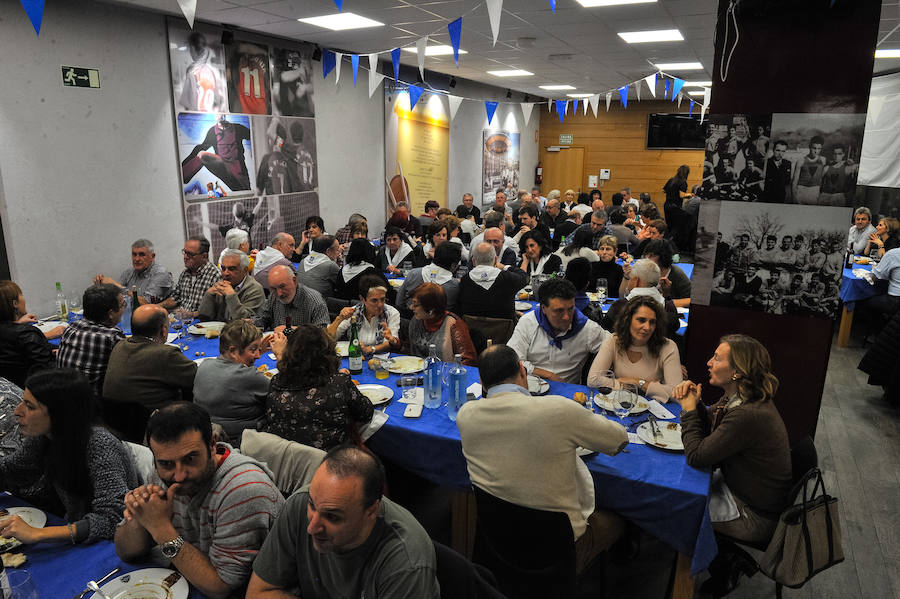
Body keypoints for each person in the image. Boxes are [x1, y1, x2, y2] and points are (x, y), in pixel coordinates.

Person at [457, 345, 628, 575]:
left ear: (483, 383)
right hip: (559, 552)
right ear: (522, 370)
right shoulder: (559, 409)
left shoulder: (465, 415)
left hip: (496, 540)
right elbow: (618, 440)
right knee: (621, 518)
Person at [115, 403, 284, 598]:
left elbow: (221, 587)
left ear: (212, 444)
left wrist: (160, 528)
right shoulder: (161, 473)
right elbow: (125, 552)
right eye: (166, 463)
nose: (178, 475)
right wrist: (141, 516)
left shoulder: (244, 489)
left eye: (190, 459)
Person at [247, 445, 440, 598]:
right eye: (312, 505)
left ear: (371, 511)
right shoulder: (299, 503)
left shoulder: (405, 562)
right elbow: (258, 592)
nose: (312, 527)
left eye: (332, 517)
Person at [673, 335, 791, 543]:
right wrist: (697, 405)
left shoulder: (748, 413)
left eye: (717, 358)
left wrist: (690, 410)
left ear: (737, 372)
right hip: (741, 491)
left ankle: (684, 572)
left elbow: (697, 456)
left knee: (675, 506)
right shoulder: (740, 397)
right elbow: (712, 424)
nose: (709, 362)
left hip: (752, 515)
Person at [0, 369, 137, 544]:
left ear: (60, 414)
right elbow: (11, 471)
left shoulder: (99, 444)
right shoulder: (46, 437)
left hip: (109, 546)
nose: (17, 411)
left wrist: (37, 534)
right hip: (74, 529)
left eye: (30, 406)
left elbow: (114, 519)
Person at [262, 325, 372, 449]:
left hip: (287, 461)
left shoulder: (277, 381)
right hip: (331, 461)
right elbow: (366, 413)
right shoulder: (339, 383)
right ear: (327, 353)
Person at [508, 278, 607, 383]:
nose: (566, 317)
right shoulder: (528, 323)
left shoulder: (587, 329)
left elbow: (616, 345)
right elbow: (513, 361)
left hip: (567, 393)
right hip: (530, 389)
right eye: (559, 311)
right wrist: (548, 375)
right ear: (543, 308)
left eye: (570, 309)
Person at [588, 295, 682, 403]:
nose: (647, 327)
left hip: (654, 409)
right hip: (619, 405)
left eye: (652, 322)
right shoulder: (614, 341)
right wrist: (622, 384)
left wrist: (638, 383)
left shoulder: (668, 346)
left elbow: (676, 393)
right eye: (641, 320)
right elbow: (593, 380)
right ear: (628, 320)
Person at [104, 304, 197, 408]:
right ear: (163, 331)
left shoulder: (120, 345)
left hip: (111, 417)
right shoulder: (166, 354)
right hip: (153, 419)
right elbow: (199, 377)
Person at [193, 320, 270, 444]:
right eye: (253, 349)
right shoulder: (248, 376)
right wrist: (282, 356)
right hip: (242, 442)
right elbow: (282, 394)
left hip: (207, 436)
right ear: (233, 351)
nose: (258, 356)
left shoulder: (204, 365)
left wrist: (254, 351)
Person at [57, 283, 126, 397]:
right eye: (123, 305)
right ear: (111, 314)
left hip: (64, 400)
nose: (124, 309)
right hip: (93, 407)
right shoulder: (112, 337)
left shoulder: (71, 327)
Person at [328, 275, 401, 356]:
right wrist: (339, 319)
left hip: (381, 359)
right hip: (354, 357)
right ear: (362, 299)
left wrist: (370, 349)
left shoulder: (392, 313)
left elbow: (390, 342)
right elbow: (329, 338)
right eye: (374, 300)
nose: (380, 305)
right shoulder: (353, 312)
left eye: (383, 299)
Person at [0, 281, 55, 387]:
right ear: (15, 304)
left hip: (13, 389)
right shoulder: (27, 333)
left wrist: (17, 323)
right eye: (21, 295)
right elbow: (48, 370)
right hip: (36, 390)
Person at [407, 282, 477, 365]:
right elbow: (410, 350)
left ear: (431, 309)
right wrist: (396, 343)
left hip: (444, 374)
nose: (411, 308)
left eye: (415, 305)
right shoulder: (416, 320)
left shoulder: (453, 324)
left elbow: (468, 361)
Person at [604, 259, 678, 335]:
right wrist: (667, 296)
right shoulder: (667, 306)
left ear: (636, 280)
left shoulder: (618, 307)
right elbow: (675, 326)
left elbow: (606, 329)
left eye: (630, 278)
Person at [181, 113, 252, 192]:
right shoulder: (213, 131)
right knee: (202, 155)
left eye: (222, 114)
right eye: (218, 114)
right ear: (214, 116)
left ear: (225, 115)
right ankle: (182, 176)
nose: (220, 116)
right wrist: (182, 167)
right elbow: (200, 147)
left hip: (238, 169)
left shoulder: (237, 128)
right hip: (223, 165)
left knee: (244, 191)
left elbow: (253, 136)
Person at [459, 243, 528, 320]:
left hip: (472, 330)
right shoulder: (508, 278)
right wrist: (504, 267)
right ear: (495, 260)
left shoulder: (464, 281)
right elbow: (524, 277)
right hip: (505, 330)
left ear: (473, 261)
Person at [94, 239, 173, 305]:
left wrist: (116, 285)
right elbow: (117, 297)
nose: (137, 259)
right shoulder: (128, 272)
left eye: (142, 255)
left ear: (152, 256)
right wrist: (103, 286)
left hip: (154, 319)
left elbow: (146, 304)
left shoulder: (161, 274)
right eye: (134, 254)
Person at [255, 265, 329, 331]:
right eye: (274, 288)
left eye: (282, 286)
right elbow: (263, 320)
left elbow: (323, 334)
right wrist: (250, 324)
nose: (279, 293)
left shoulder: (315, 301)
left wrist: (294, 330)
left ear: (294, 281)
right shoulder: (273, 296)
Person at [197, 249, 265, 321]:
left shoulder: (255, 289)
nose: (226, 273)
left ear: (245, 270)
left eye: (231, 269)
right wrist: (208, 295)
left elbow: (245, 322)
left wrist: (231, 296)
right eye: (223, 268)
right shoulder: (220, 285)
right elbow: (203, 318)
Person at [159, 236, 221, 314]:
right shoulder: (185, 274)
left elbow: (216, 310)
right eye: (184, 252)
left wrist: (191, 315)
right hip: (181, 319)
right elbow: (175, 298)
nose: (185, 257)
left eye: (190, 254)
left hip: (202, 322)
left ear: (204, 256)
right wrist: (157, 307)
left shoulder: (215, 276)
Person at [397, 242, 461, 315]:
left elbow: (399, 302)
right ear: (453, 265)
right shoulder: (455, 286)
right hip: (438, 324)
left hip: (409, 319)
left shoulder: (413, 273)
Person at [176, 32, 225, 112]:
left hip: (196, 117)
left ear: (192, 48)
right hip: (211, 116)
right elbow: (219, 100)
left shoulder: (191, 71)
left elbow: (187, 102)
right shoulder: (214, 72)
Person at [641, 239, 691, 308]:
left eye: (651, 256)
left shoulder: (677, 274)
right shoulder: (645, 271)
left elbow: (690, 300)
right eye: (646, 256)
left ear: (663, 256)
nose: (647, 259)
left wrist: (666, 304)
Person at [296, 234, 341, 299]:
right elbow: (342, 286)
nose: (339, 252)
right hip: (320, 305)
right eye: (337, 250)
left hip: (300, 301)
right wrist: (339, 261)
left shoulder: (303, 261)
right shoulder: (330, 266)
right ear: (328, 251)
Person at [791, 135, 826, 205]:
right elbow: (795, 180)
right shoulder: (801, 160)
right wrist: (794, 196)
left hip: (815, 191)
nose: (816, 151)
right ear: (810, 147)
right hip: (801, 190)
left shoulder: (823, 160)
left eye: (819, 148)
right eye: (814, 148)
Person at [591, 235, 625, 299]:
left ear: (615, 252)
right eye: (602, 249)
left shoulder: (619, 270)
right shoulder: (591, 266)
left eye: (608, 249)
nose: (604, 252)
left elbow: (620, 294)